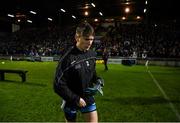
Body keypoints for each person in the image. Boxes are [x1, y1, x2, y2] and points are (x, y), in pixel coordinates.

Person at [54, 21, 103, 122]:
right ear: (77, 37)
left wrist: (98, 81)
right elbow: (58, 85)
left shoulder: (92, 54)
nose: (90, 42)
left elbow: (92, 74)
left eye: (92, 39)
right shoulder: (67, 58)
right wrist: (76, 99)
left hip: (88, 98)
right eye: (86, 39)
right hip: (71, 100)